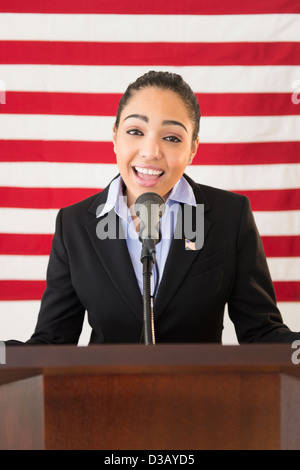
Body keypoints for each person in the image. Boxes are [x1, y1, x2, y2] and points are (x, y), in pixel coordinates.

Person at [6, 71, 300, 345]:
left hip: (202, 398)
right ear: (115, 137)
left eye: (171, 138)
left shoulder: (229, 217)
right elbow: (52, 343)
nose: (150, 151)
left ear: (193, 149)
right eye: (135, 131)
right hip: (106, 398)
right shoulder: (73, 225)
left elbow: (262, 333)